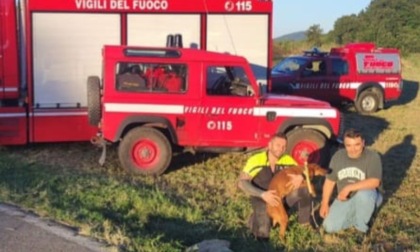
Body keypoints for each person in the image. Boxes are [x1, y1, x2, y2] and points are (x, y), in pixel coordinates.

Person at [237, 132, 312, 239]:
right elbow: (241, 182)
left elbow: (305, 171)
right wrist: (262, 194)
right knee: (263, 235)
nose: (281, 149)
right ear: (269, 145)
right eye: (278, 145)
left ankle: (304, 224)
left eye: (284, 146)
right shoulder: (256, 160)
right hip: (262, 198)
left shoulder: (287, 160)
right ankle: (257, 219)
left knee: (304, 189)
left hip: (281, 198)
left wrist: (302, 176)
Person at [320, 128, 383, 234]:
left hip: (368, 195)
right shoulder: (338, 157)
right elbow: (329, 181)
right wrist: (324, 203)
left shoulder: (373, 157)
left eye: (357, 145)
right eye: (348, 145)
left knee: (364, 195)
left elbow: (375, 182)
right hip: (345, 198)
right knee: (328, 227)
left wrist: (349, 188)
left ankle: (361, 228)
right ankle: (359, 215)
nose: (353, 149)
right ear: (344, 144)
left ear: (363, 143)